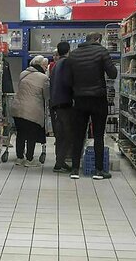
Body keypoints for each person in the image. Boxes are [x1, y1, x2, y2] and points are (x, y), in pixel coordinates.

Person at [64, 32, 118, 180]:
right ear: (98, 40)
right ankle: (99, 171)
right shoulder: (101, 51)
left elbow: (68, 81)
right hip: (98, 99)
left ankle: (75, 169)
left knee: (78, 135)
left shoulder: (73, 55)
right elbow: (113, 73)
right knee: (99, 135)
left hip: (79, 100)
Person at [10, 55, 49, 167]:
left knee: (21, 134)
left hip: (17, 108)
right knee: (31, 135)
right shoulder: (43, 78)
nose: (46, 68)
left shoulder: (23, 73)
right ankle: (29, 159)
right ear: (41, 65)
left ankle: (19, 158)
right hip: (32, 110)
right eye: (45, 66)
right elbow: (46, 95)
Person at [48, 41, 72, 173]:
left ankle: (59, 162)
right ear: (69, 50)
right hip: (64, 103)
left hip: (55, 103)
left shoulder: (55, 65)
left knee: (60, 134)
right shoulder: (67, 63)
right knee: (68, 134)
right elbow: (69, 82)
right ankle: (60, 162)